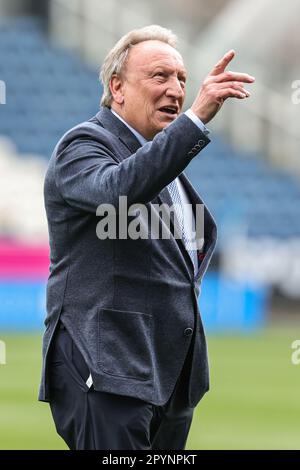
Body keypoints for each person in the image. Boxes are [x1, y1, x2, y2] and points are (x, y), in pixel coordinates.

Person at [39, 25, 254, 450]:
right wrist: (195, 120)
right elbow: (118, 192)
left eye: (181, 79)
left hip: (168, 378)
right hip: (107, 371)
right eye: (160, 76)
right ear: (116, 87)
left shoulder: (165, 165)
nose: (175, 89)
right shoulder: (84, 145)